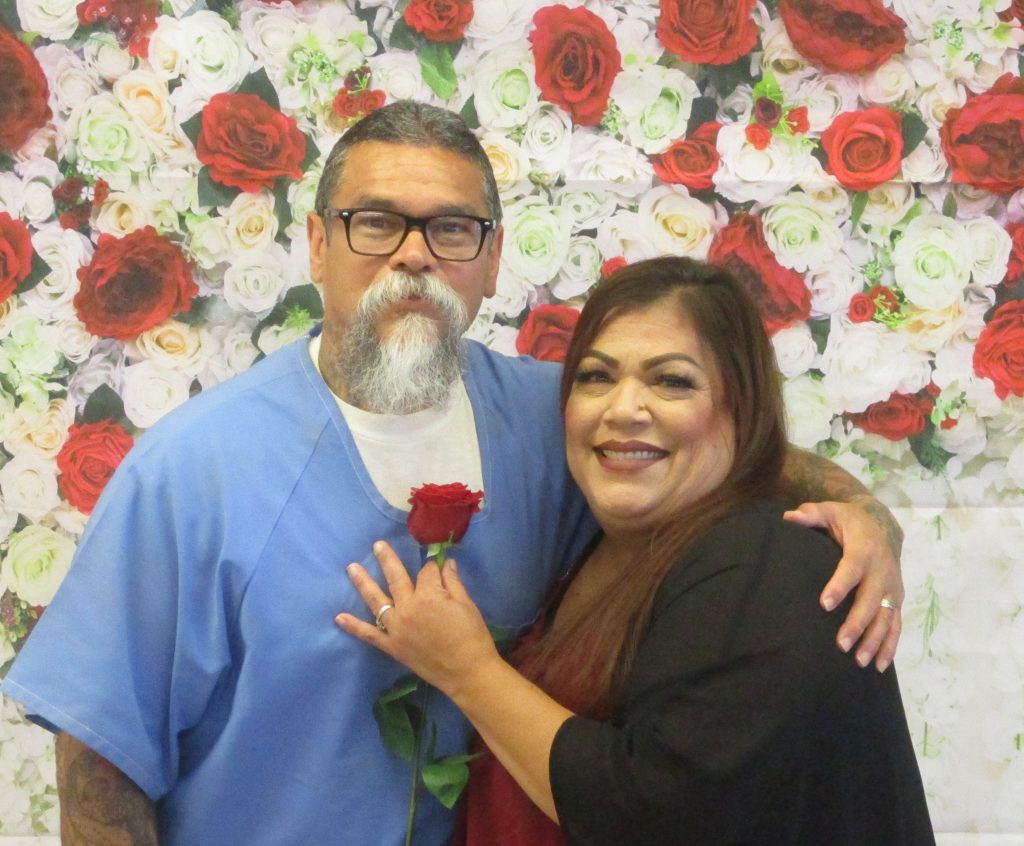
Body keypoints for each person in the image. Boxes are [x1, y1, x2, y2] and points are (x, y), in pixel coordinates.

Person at [2, 103, 903, 846]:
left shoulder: (558, 424)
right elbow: (101, 773)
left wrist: (863, 514)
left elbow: (717, 450)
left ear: (492, 257)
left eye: (452, 228)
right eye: (377, 221)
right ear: (317, 245)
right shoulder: (192, 473)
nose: (414, 254)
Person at [338, 256, 934, 845]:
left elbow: (652, 817)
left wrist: (467, 670)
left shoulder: (769, 566)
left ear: (740, 408)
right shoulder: (612, 537)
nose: (623, 409)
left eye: (672, 381)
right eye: (594, 377)